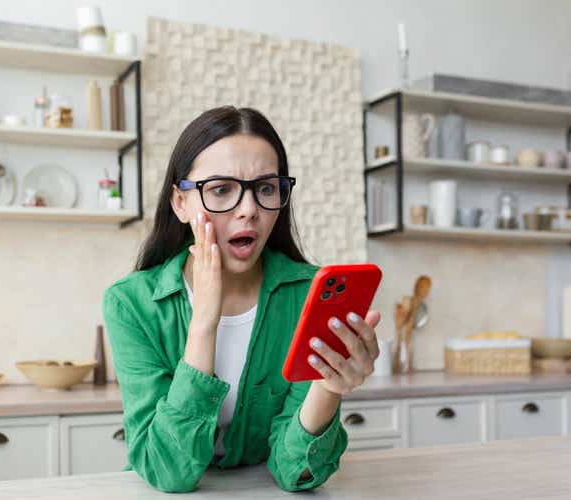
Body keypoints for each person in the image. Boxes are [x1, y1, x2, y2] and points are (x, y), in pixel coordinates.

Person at [102, 106, 381, 493]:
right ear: (180, 203)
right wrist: (204, 322)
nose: (249, 209)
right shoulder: (131, 304)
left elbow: (294, 472)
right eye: (220, 190)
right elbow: (167, 472)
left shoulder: (306, 297)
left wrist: (329, 387)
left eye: (266, 189)